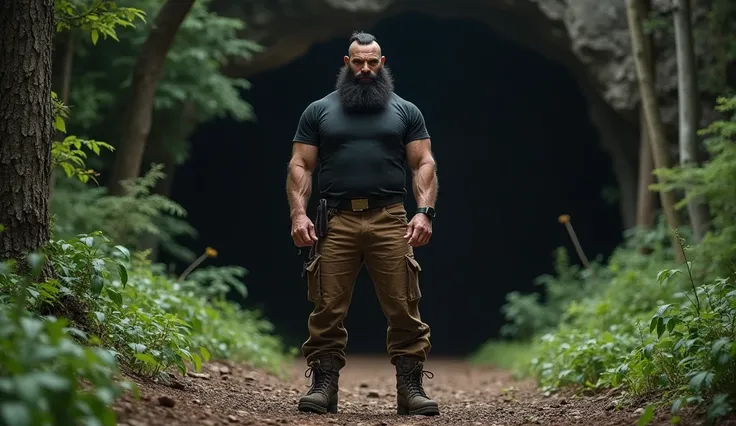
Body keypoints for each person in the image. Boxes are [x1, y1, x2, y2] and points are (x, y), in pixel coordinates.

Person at [285, 30, 439, 417]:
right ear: (346, 62)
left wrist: (424, 211)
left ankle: (411, 389)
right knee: (327, 306)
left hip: (390, 218)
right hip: (335, 220)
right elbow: (300, 164)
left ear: (382, 63)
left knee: (404, 305)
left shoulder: (406, 111)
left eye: (373, 62)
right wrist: (298, 214)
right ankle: (323, 387)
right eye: (358, 61)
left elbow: (424, 163)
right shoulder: (318, 111)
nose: (366, 68)